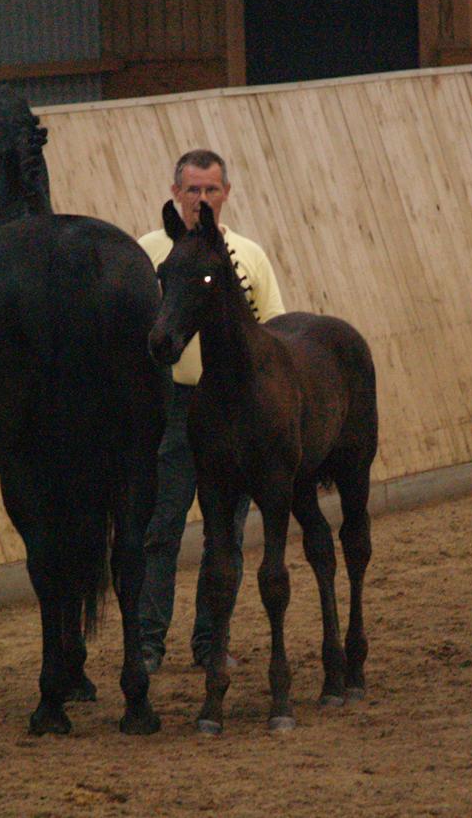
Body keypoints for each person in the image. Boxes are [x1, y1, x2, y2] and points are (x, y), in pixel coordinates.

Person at [136, 148, 286, 673]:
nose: (202, 199)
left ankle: (210, 642)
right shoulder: (150, 251)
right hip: (174, 404)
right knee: (162, 527)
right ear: (176, 192)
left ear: (226, 193)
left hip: (233, 406)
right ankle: (149, 642)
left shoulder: (248, 255)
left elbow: (274, 330)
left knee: (225, 533)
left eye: (211, 190)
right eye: (193, 189)